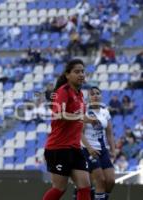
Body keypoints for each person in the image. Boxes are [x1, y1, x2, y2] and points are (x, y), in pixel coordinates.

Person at [42, 59, 92, 200]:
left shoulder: (80, 94)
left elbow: (78, 119)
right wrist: (80, 117)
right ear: (67, 75)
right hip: (59, 148)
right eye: (77, 71)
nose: (81, 74)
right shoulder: (63, 91)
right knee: (59, 189)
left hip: (74, 148)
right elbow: (59, 114)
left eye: (82, 71)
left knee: (85, 186)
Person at [81, 87, 116, 200]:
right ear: (89, 98)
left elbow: (109, 133)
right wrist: (90, 148)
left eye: (97, 93)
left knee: (110, 181)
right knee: (100, 180)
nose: (95, 95)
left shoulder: (105, 112)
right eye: (92, 94)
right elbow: (79, 134)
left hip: (103, 150)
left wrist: (113, 150)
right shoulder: (85, 112)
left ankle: (96, 197)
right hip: (89, 150)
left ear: (101, 96)